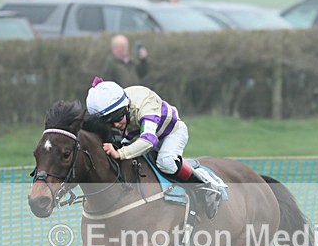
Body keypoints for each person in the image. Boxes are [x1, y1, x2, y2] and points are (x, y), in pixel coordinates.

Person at [85, 78, 224, 218]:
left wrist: (120, 153)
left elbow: (149, 141)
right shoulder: (115, 105)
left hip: (171, 133)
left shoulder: (145, 104)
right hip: (139, 135)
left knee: (166, 162)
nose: (115, 125)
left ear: (126, 107)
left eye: (117, 118)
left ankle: (205, 187)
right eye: (109, 122)